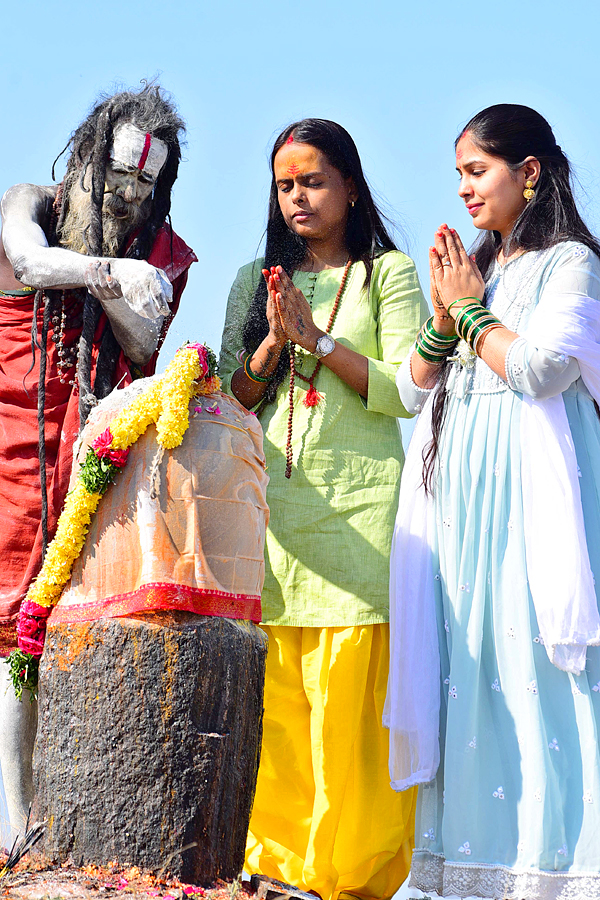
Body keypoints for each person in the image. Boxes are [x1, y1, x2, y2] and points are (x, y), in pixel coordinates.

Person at [387, 103, 600, 898]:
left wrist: (472, 310)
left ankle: (560, 872)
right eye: (460, 176)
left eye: (478, 171)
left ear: (530, 173)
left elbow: (543, 368)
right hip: (464, 502)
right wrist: (447, 318)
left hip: (530, 498)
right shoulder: (487, 271)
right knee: (469, 671)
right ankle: (475, 870)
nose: (465, 190)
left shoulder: (570, 262)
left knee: (538, 666)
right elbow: (414, 391)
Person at [219, 118, 428, 900]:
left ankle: (349, 880)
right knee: (281, 707)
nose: (297, 197)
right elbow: (234, 399)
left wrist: (317, 343)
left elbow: (403, 388)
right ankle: (277, 865)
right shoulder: (259, 278)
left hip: (362, 516)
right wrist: (275, 346)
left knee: (347, 714)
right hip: (275, 515)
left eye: (312, 181)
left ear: (348, 186)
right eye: (284, 185)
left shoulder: (389, 275)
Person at [0, 83, 196, 839]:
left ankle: (54, 820)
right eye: (120, 175)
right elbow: (26, 258)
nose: (131, 194)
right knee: (12, 618)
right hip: (13, 428)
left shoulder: (161, 251)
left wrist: (130, 281)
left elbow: (145, 347)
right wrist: (109, 272)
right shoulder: (33, 200)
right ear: (88, 156)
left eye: (148, 182)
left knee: (70, 620)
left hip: (93, 441)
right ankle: (16, 823)